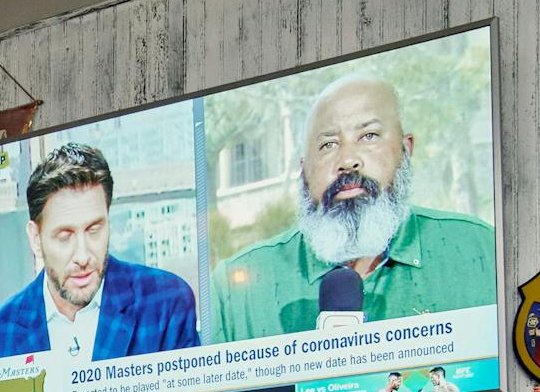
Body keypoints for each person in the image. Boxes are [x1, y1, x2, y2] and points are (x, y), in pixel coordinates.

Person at [207, 74, 497, 342]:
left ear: (406, 149)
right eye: (328, 144)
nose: (348, 160)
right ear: (303, 169)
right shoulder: (237, 292)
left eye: (368, 136)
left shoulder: (480, 250)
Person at [0, 142, 200, 379]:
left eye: (93, 230)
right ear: (36, 238)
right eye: (65, 236)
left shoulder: (165, 303)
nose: (82, 256)